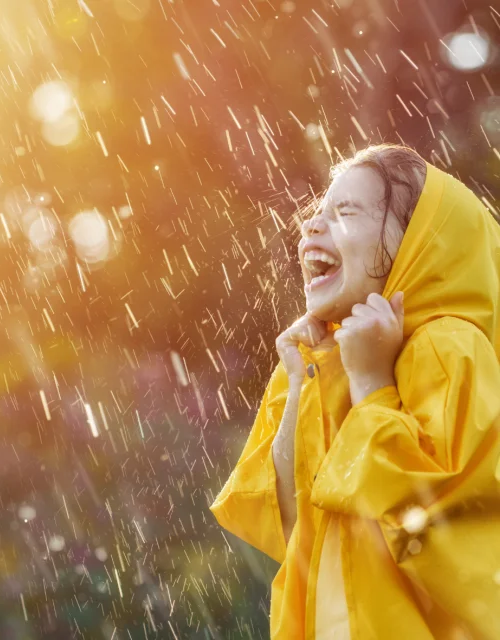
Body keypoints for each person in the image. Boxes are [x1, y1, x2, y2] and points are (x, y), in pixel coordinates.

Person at [210, 144, 500, 639]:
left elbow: (443, 527)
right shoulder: (324, 358)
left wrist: (372, 386)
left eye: (345, 213)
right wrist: (301, 383)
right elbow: (289, 517)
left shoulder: (447, 346)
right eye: (316, 213)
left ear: (419, 244)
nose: (312, 227)